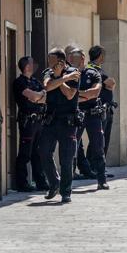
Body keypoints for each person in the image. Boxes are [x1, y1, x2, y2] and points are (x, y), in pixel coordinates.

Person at [39, 48, 81, 203]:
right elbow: (47, 87)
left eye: (51, 60)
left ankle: (66, 192)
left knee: (66, 158)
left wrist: (59, 78)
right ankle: (54, 183)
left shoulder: (74, 72)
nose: (49, 63)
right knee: (43, 151)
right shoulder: (48, 72)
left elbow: (70, 94)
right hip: (50, 121)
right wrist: (61, 77)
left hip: (68, 122)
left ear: (61, 61)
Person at [70, 48, 109, 190]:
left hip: (93, 115)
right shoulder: (68, 75)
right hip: (76, 114)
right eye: (70, 57)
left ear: (82, 58)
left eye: (75, 57)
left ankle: (101, 179)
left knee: (98, 147)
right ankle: (69, 181)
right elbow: (67, 95)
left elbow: (95, 93)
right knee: (71, 147)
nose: (72, 60)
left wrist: (76, 95)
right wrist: (83, 95)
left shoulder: (92, 73)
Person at [13, 56, 49, 192]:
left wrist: (37, 97)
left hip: (39, 121)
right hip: (28, 121)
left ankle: (40, 182)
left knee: (37, 153)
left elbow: (45, 97)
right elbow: (33, 96)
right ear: (27, 66)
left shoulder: (34, 81)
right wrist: (37, 97)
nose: (34, 66)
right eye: (32, 63)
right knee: (25, 153)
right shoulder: (19, 82)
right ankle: (22, 183)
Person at [87, 45, 117, 157]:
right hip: (100, 110)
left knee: (103, 140)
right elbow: (112, 83)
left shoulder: (97, 69)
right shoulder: (94, 70)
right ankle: (94, 168)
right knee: (98, 141)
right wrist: (109, 84)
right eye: (103, 55)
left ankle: (100, 168)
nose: (104, 57)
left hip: (106, 109)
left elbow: (110, 85)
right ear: (100, 56)